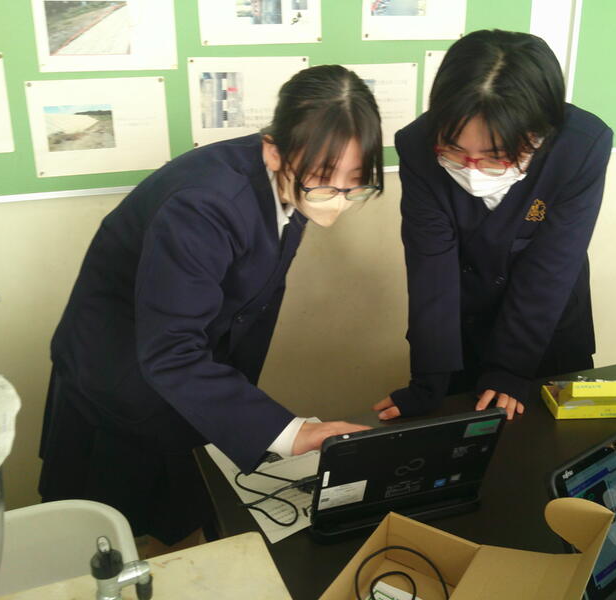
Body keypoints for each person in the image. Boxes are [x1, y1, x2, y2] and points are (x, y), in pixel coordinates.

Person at [39, 65, 383, 550]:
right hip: (118, 381)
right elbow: (171, 350)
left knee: (186, 518)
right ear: (273, 149)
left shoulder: (289, 176)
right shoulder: (205, 204)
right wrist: (288, 433)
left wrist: (241, 410)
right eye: (325, 181)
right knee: (107, 541)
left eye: (355, 184)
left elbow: (246, 301)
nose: (338, 200)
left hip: (188, 379)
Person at [374, 29, 613, 422]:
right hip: (460, 331)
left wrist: (510, 367)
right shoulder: (417, 145)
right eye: (453, 150)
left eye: (495, 157)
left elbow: (552, 265)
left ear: (540, 135)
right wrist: (429, 379)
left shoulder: (580, 147)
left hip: (545, 330)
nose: (471, 169)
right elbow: (430, 265)